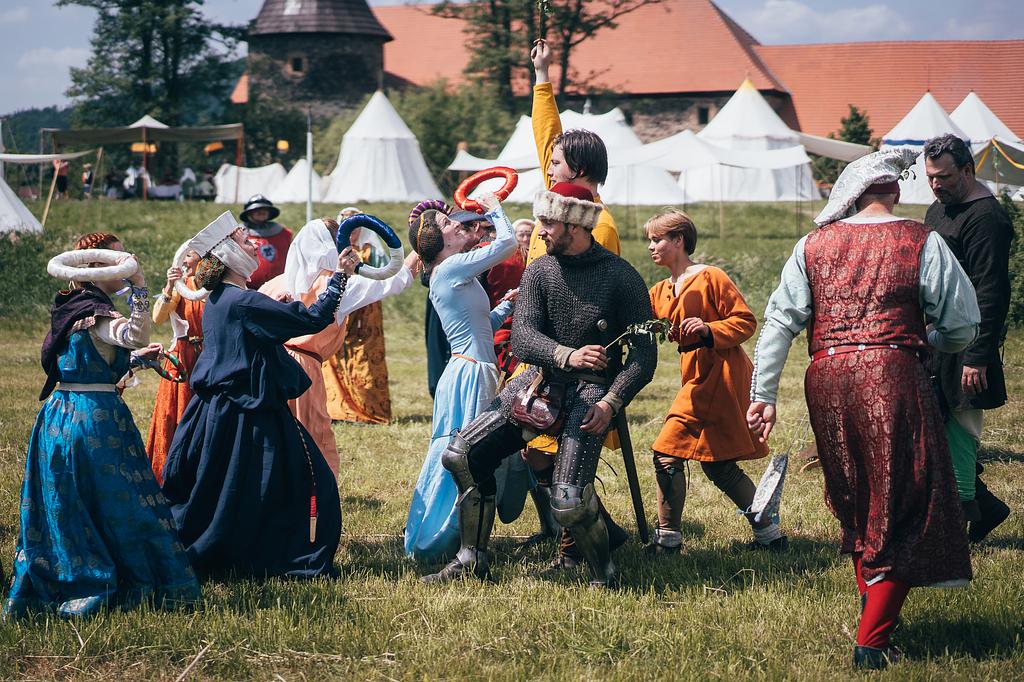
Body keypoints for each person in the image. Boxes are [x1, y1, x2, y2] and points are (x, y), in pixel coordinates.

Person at [747, 149, 980, 669]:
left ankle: (873, 611)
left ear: (850, 198)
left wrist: (762, 396)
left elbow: (779, 322)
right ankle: (872, 642)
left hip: (826, 377)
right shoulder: (921, 239)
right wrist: (929, 339)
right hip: (893, 375)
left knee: (858, 496)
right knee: (908, 500)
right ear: (894, 191)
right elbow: (963, 325)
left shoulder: (812, 244)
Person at [422, 183, 657, 587]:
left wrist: (612, 402)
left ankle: (604, 575)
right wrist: (566, 355)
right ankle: (471, 558)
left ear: (574, 224)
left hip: (591, 392)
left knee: (567, 499)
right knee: (462, 455)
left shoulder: (621, 277)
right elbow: (523, 338)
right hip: (538, 382)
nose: (540, 231)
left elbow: (644, 355)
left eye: (548, 222)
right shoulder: (540, 270)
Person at [5, 232, 200, 618]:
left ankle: (57, 574)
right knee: (121, 500)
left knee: (68, 499)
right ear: (96, 268)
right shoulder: (98, 312)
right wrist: (140, 288)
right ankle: (123, 577)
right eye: (118, 259)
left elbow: (88, 361)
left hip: (58, 415)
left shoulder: (68, 308)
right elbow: (134, 335)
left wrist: (136, 361)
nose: (125, 265)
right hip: (95, 420)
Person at [161, 213, 357, 579]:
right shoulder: (243, 302)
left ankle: (238, 550)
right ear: (229, 255)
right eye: (244, 240)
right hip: (246, 415)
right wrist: (341, 276)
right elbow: (311, 319)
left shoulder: (220, 298)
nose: (254, 244)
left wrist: (275, 307)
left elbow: (255, 328)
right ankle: (274, 552)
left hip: (219, 412)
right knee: (301, 481)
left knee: (228, 489)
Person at [518, 38, 626, 567]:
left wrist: (564, 359)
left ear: (577, 170)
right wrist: (542, 76)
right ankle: (599, 529)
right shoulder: (561, 200)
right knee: (531, 446)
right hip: (544, 352)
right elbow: (548, 136)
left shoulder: (597, 226)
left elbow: (596, 309)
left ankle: (579, 543)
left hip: (579, 366)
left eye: (557, 162)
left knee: (556, 456)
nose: (548, 164)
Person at [643, 209, 784, 554]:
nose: (651, 246)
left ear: (678, 240)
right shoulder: (660, 290)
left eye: (657, 239)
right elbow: (642, 321)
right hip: (695, 374)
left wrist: (709, 329)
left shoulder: (710, 277)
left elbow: (745, 321)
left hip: (721, 373)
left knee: (666, 451)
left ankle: (667, 540)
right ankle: (770, 536)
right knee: (718, 464)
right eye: (650, 240)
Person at [404, 192, 518, 561]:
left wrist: (506, 305)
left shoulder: (450, 272)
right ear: (439, 240)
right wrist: (494, 208)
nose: (456, 224)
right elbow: (507, 243)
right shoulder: (452, 267)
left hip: (470, 368)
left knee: (467, 452)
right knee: (470, 455)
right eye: (447, 223)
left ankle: (457, 534)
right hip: (471, 374)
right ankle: (446, 537)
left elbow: (479, 326)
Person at [260, 217, 415, 474]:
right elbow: (395, 279)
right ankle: (316, 492)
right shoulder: (337, 285)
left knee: (274, 433)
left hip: (269, 363)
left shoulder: (276, 283)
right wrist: (421, 245)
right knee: (312, 434)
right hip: (302, 368)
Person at [923, 133, 1014, 542]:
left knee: (959, 429)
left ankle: (953, 535)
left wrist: (977, 356)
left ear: (967, 170)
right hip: (936, 342)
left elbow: (991, 291)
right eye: (930, 177)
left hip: (967, 347)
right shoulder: (938, 208)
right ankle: (987, 509)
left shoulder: (986, 218)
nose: (936, 184)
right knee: (934, 431)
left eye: (944, 177)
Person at [322, 208, 399, 425]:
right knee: (335, 353)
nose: (352, 231)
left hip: (366, 308)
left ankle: (369, 408)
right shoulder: (335, 250)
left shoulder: (370, 251)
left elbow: (386, 275)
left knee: (365, 354)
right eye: (347, 225)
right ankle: (339, 407)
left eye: (356, 226)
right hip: (342, 304)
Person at [146, 247, 205, 484]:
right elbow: (158, 317)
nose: (185, 261)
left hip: (208, 355)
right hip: (183, 355)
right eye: (184, 256)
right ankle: (169, 472)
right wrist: (170, 286)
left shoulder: (212, 286)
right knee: (175, 412)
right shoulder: (181, 286)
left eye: (189, 256)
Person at [481, 217, 533, 375]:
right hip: (501, 334)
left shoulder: (540, 261)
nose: (526, 238)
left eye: (530, 234)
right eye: (521, 234)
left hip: (518, 336)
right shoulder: (506, 259)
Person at [240, 194, 292, 290]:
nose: (261, 212)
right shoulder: (239, 234)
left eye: (264, 209)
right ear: (249, 213)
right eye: (257, 210)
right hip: (248, 288)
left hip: (278, 288)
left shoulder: (284, 234)